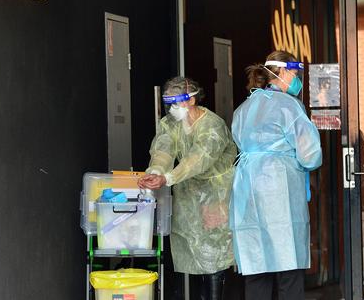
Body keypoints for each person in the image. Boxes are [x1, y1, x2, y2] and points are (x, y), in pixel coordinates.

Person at [229, 51, 322, 300]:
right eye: (295, 73)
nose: (297, 78)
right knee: (288, 265)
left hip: (248, 190)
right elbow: (310, 155)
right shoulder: (289, 106)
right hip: (281, 191)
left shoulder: (244, 109)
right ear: (282, 72)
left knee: (257, 267)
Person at [138, 77, 237, 300]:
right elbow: (163, 148)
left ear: (191, 100)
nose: (173, 108)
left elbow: (199, 158)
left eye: (177, 102)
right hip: (188, 198)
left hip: (215, 195)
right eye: (169, 103)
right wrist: (155, 172)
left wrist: (168, 177)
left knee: (215, 256)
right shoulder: (170, 124)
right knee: (195, 256)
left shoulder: (212, 125)